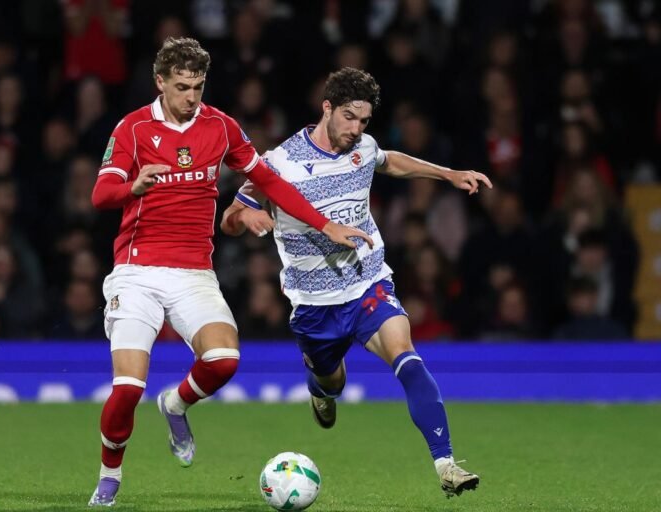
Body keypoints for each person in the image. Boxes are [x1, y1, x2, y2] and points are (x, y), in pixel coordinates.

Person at [87, 39, 372, 507]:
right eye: (182, 87)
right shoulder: (133, 129)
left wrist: (325, 224)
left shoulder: (220, 128)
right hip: (136, 270)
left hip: (194, 272)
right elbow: (100, 195)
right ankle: (109, 476)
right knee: (128, 388)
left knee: (223, 360)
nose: (191, 97)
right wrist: (131, 187)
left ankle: (176, 404)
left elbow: (270, 181)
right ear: (160, 82)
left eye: (198, 86)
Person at [221, 68, 492, 498]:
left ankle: (446, 463)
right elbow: (229, 219)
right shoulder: (281, 162)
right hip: (315, 303)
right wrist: (247, 216)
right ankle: (321, 390)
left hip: (368, 283)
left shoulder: (362, 147)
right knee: (333, 383)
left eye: (363, 121)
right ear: (326, 108)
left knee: (405, 352)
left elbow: (389, 161)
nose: (356, 129)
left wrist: (449, 174)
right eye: (348, 117)